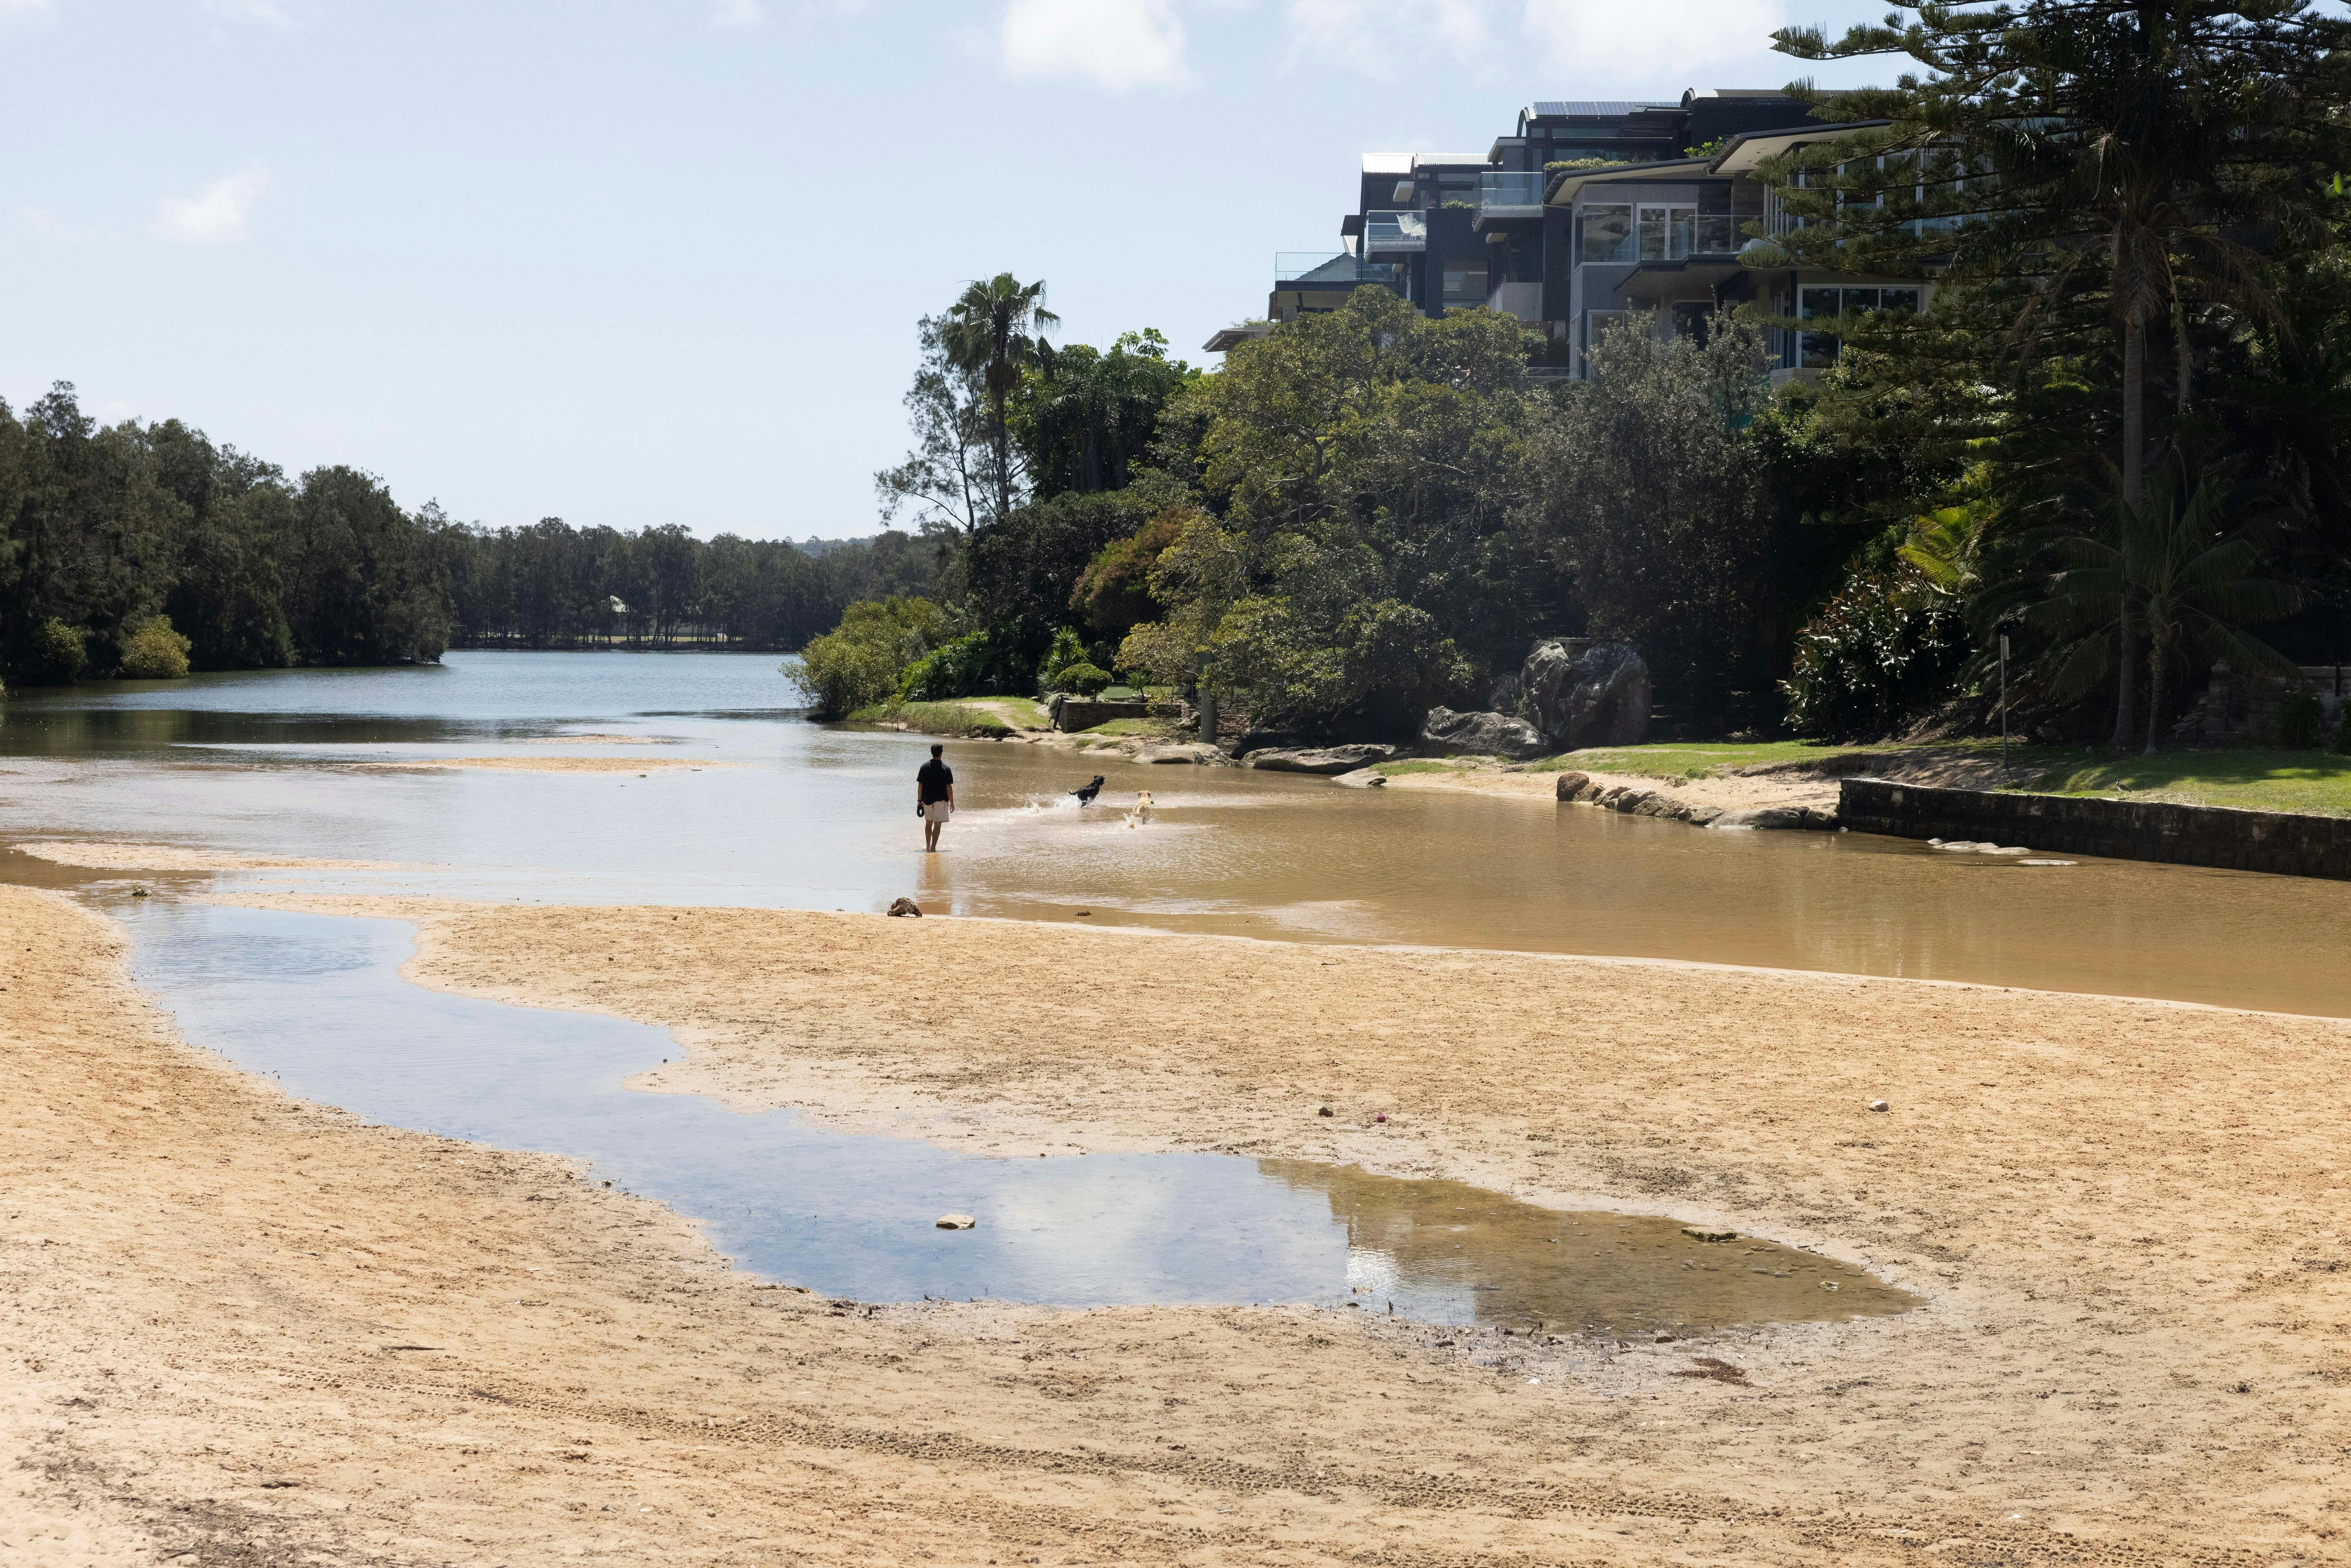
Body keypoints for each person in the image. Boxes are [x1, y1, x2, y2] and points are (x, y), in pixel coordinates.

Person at [916, 743, 955, 852]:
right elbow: (949, 789)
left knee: (929, 824)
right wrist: (952, 803)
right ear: (942, 754)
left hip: (927, 800)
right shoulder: (946, 769)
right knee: (937, 825)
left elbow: (920, 786)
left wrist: (920, 801)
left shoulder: (924, 767)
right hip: (941, 801)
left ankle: (928, 847)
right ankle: (933, 848)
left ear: (932, 753)